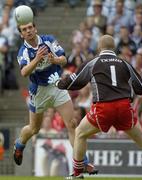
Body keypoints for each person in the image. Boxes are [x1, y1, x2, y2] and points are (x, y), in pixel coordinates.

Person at [48, 35, 142, 179]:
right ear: (114, 48)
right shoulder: (124, 63)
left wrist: (58, 83)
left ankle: (77, 174)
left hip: (104, 107)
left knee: (80, 133)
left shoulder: (93, 62)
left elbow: (75, 83)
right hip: (124, 107)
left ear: (99, 47)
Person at [13, 6, 97, 175]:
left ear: (35, 28)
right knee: (34, 129)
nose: (28, 31)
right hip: (39, 92)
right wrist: (37, 59)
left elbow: (64, 59)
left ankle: (83, 162)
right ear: (21, 34)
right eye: (24, 30)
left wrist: (54, 59)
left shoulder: (48, 40)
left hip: (57, 86)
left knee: (72, 124)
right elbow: (23, 72)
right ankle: (20, 144)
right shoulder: (24, 51)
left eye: (30, 27)